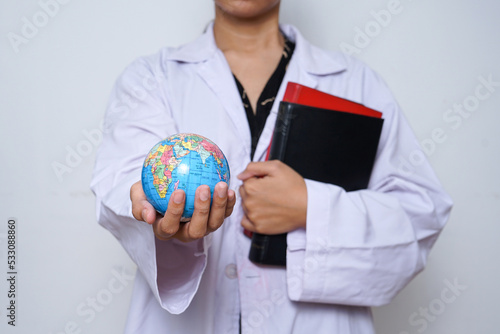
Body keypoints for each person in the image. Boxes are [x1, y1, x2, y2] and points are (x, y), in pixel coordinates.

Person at [90, 0, 453, 333]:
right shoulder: (151, 79)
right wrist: (159, 221)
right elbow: (123, 188)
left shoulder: (355, 82)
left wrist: (311, 206)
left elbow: (419, 217)